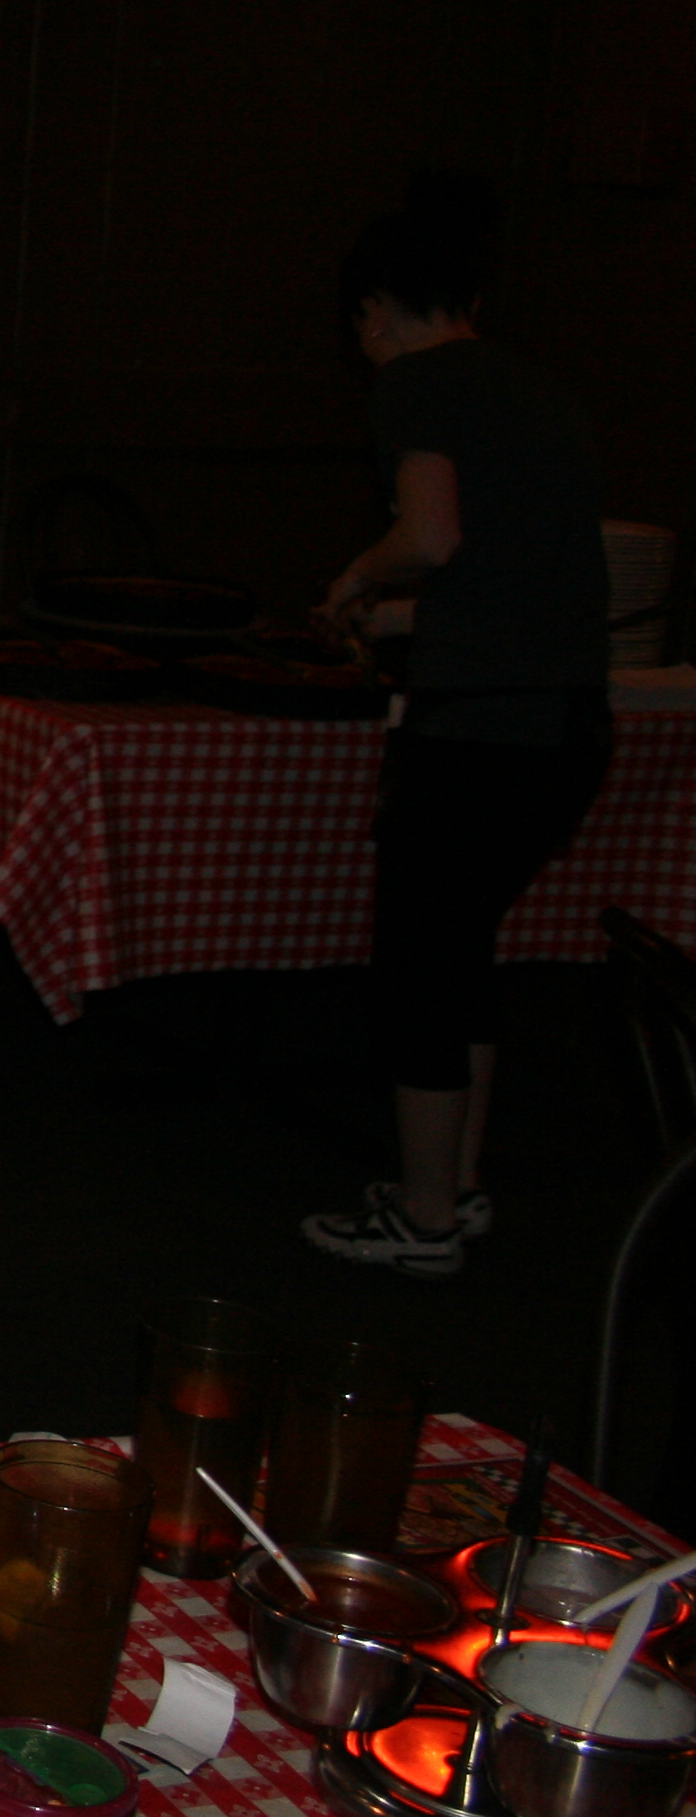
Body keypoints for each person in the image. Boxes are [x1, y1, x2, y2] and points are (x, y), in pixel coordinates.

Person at [304, 182, 612, 1279]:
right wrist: (386, 617)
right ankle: (458, 1187)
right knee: (466, 946)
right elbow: (508, 574)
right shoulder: (539, 391)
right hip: (568, 724)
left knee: (423, 961)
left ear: (377, 309)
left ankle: (424, 1216)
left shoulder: (419, 386)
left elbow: (430, 539)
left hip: (479, 725)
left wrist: (358, 573)